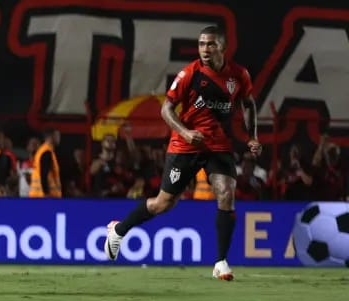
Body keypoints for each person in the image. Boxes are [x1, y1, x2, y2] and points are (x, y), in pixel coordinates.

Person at [105, 25, 259, 281]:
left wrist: (253, 136)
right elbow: (166, 109)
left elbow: (248, 103)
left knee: (226, 194)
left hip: (218, 145)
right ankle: (119, 230)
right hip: (185, 146)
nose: (205, 49)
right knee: (162, 204)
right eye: (201, 44)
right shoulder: (190, 74)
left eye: (210, 44)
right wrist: (186, 133)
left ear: (223, 46)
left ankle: (220, 262)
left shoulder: (239, 75)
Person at [29, 128, 62, 198]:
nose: (59, 138)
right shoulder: (46, 152)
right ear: (51, 137)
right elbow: (43, 174)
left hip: (39, 195)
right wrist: (46, 193)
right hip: (44, 196)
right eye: (57, 135)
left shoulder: (43, 150)